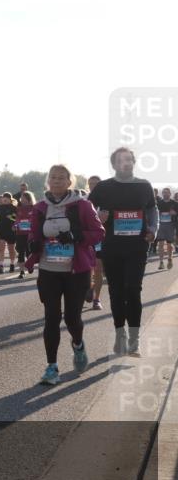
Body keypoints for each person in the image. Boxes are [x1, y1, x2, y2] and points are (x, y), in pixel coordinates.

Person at [24, 165, 105, 385]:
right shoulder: (40, 207)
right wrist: (33, 243)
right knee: (51, 317)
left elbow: (98, 232)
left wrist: (76, 235)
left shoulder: (82, 205)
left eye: (62, 178)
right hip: (49, 270)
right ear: (47, 181)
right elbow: (33, 232)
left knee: (72, 318)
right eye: (53, 177)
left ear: (70, 182)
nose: (57, 181)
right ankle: (52, 367)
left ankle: (78, 344)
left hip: (76, 271)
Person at [88, 147, 158, 357]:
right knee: (116, 292)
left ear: (133, 162)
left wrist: (154, 230)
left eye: (128, 160)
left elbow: (152, 209)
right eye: (120, 160)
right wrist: (98, 217)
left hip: (137, 247)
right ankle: (120, 335)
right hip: (112, 246)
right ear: (114, 164)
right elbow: (86, 210)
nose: (125, 163)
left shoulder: (144, 185)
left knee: (133, 290)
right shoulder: (103, 187)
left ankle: (134, 339)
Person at [85, 176, 105, 309]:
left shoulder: (107, 200)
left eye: (96, 183)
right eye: (91, 183)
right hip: (85, 239)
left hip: (100, 239)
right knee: (86, 269)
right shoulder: (83, 200)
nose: (93, 186)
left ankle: (97, 299)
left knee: (98, 268)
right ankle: (88, 287)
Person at [0, 192, 18, 273]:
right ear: (1, 199)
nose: (5, 199)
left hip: (11, 230)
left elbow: (18, 218)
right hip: (0, 230)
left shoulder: (14, 208)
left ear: (10, 199)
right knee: (1, 248)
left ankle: (12, 264)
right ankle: (1, 265)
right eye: (4, 197)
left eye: (7, 198)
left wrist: (12, 218)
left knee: (11, 248)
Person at [14, 191, 36, 280]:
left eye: (24, 198)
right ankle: (22, 271)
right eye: (21, 198)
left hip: (30, 234)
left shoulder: (34, 208)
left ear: (29, 199)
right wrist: (15, 225)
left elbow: (36, 219)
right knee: (20, 252)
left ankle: (30, 265)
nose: (22, 200)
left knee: (29, 252)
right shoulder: (18, 208)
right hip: (20, 233)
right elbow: (17, 219)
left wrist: (31, 224)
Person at [155, 187, 175, 271]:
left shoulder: (175, 203)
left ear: (170, 194)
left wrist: (175, 213)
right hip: (161, 225)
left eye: (167, 192)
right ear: (162, 194)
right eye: (163, 192)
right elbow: (155, 212)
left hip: (170, 225)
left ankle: (170, 259)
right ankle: (161, 262)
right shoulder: (159, 203)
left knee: (169, 244)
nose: (165, 194)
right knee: (161, 244)